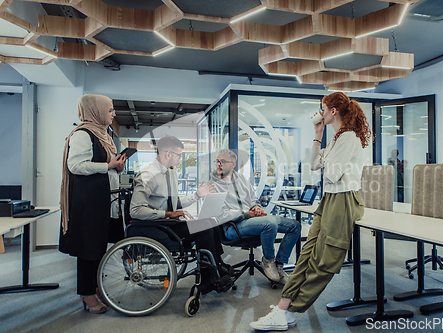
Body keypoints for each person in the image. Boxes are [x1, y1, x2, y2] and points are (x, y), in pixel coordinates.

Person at [250, 92, 371, 330]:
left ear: (332, 111)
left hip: (343, 201)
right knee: (306, 257)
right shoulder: (336, 138)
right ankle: (284, 310)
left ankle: (290, 310)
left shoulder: (348, 138)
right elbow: (315, 164)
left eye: (323, 109)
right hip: (330, 200)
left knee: (324, 262)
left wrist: (328, 160)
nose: (321, 113)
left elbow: (332, 175)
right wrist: (318, 134)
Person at [129, 135, 231, 294]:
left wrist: (197, 195)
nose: (179, 159)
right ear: (168, 154)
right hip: (154, 227)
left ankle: (217, 264)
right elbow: (136, 211)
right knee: (204, 229)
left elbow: (174, 204)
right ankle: (208, 277)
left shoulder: (170, 173)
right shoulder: (147, 175)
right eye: (178, 155)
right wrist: (168, 214)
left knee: (210, 222)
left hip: (168, 224)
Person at [59, 94, 127, 314]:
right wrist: (108, 166)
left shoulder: (104, 134)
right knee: (89, 250)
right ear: (95, 111)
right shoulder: (82, 134)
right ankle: (87, 294)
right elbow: (76, 166)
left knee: (98, 248)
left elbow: (106, 166)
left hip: (102, 200)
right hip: (88, 203)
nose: (113, 114)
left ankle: (94, 287)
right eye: (109, 110)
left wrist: (117, 167)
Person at [211, 149, 301, 284]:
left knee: (294, 226)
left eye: (222, 161)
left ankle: (279, 264)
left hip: (251, 220)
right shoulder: (213, 185)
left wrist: (256, 207)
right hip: (232, 227)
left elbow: (253, 198)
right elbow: (221, 215)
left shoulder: (241, 178)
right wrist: (248, 214)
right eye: (217, 161)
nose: (218, 164)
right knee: (269, 223)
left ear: (233, 164)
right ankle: (268, 261)